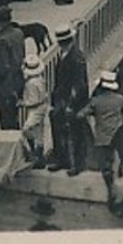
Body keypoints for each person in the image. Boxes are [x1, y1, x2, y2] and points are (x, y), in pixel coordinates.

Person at [78, 70, 123, 211]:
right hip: (118, 134)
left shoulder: (96, 101)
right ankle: (122, 168)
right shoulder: (120, 99)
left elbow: (81, 114)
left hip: (102, 136)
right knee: (117, 156)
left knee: (106, 165)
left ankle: (111, 189)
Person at [48, 26, 89, 174]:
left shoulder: (76, 58)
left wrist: (71, 104)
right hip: (62, 99)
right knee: (59, 129)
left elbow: (79, 84)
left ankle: (77, 164)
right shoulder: (66, 54)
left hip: (72, 101)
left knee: (75, 132)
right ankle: (62, 159)